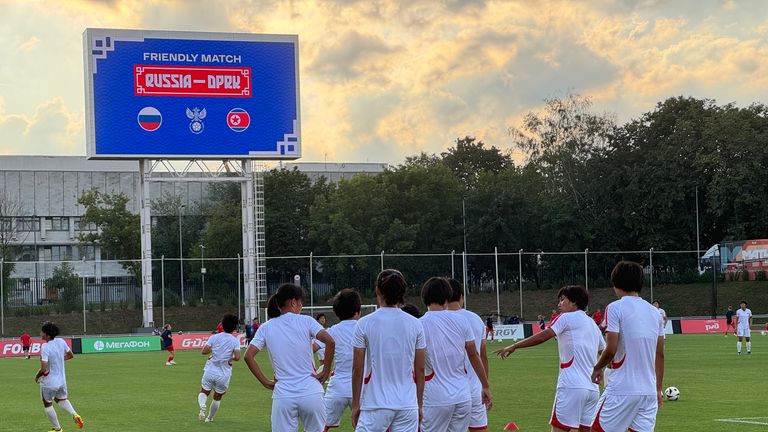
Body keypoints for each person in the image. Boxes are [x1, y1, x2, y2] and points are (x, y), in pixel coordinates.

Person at [496, 286, 604, 432]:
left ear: (574, 302)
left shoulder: (566, 317)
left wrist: (515, 346)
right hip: (592, 390)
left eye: (562, 300)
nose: (559, 304)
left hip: (571, 386)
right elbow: (604, 351)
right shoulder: (591, 323)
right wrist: (600, 369)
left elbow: (542, 337)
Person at [244, 283, 335, 432]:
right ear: (293, 302)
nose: (301, 306)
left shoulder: (266, 327)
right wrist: (326, 370)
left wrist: (265, 382)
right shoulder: (307, 321)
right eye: (300, 302)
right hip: (311, 392)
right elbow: (330, 341)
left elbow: (248, 356)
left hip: (284, 395)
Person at [590, 261, 665, 432]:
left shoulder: (615, 308)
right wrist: (658, 389)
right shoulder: (655, 313)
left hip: (621, 389)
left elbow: (611, 349)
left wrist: (597, 368)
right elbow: (659, 354)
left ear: (616, 283)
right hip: (648, 392)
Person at [351, 269, 426, 432]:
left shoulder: (364, 323)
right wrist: (418, 404)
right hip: (407, 404)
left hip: (375, 404)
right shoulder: (415, 324)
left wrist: (355, 405)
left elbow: (357, 369)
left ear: (378, 290)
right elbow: (420, 370)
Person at [419, 277, 492, 432]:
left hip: (435, 396)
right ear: (447, 297)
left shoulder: (419, 324)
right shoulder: (462, 321)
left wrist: (417, 401)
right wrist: (485, 385)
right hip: (462, 395)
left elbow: (417, 367)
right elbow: (475, 356)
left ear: (424, 297)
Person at [446, 278, 492, 432]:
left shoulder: (438, 320)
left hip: (449, 391)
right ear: (461, 297)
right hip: (475, 389)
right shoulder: (476, 319)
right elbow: (482, 356)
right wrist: (485, 384)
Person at [322, 289, 363, 430]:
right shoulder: (365, 328)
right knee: (368, 426)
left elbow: (313, 346)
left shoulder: (332, 331)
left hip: (337, 386)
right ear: (358, 311)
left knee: (321, 425)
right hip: (361, 387)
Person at [34, 321, 84, 431]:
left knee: (47, 404)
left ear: (47, 335)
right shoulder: (61, 342)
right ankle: (75, 414)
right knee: (61, 399)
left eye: (42, 332)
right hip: (62, 381)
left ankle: (57, 429)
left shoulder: (45, 347)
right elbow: (70, 355)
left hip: (49, 382)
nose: (40, 333)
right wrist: (59, 360)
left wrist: (37, 376)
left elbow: (43, 368)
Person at [197, 313, 241, 422]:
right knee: (217, 397)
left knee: (204, 391)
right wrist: (230, 358)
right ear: (234, 327)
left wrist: (215, 350)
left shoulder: (214, 337)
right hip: (224, 374)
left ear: (222, 324)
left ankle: (202, 407)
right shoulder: (235, 341)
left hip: (210, 370)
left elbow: (204, 351)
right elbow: (238, 357)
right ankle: (209, 418)